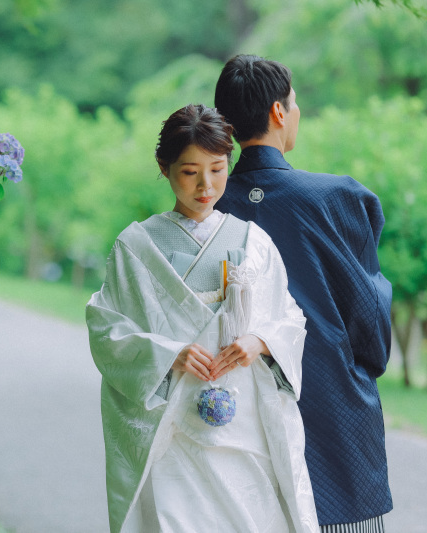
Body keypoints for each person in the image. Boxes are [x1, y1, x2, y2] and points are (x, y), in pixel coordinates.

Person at [86, 104, 320, 533]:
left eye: (217, 168)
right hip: (171, 424)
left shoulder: (255, 242)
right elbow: (107, 327)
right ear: (165, 167)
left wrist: (261, 341)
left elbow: (289, 318)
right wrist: (169, 354)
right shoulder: (135, 246)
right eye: (190, 172)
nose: (206, 185)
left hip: (244, 419)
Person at [213, 54, 393, 532]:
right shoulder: (340, 199)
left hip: (234, 422)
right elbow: (371, 324)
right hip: (333, 416)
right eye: (295, 104)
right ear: (278, 112)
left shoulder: (207, 208)